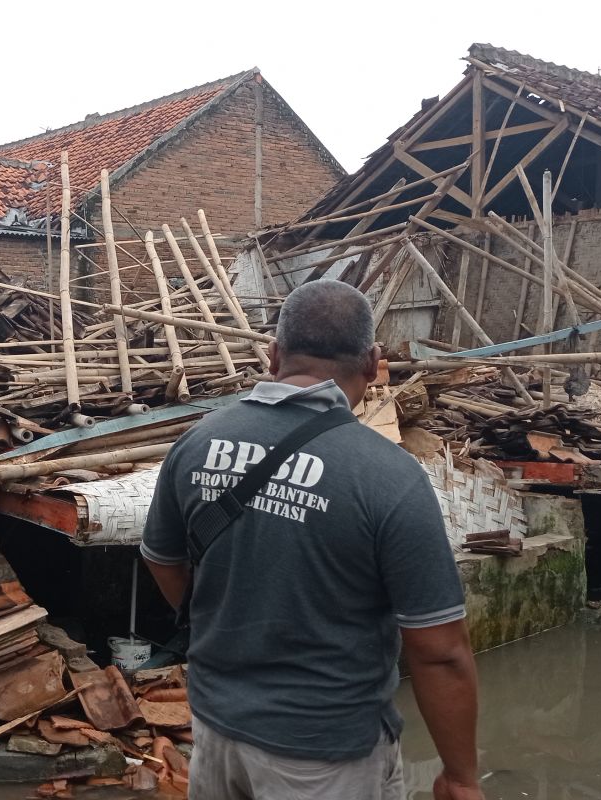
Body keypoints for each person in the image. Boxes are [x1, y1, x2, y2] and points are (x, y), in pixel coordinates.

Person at [141, 280, 483, 800]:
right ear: (373, 363)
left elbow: (163, 560)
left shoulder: (198, 442)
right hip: (325, 754)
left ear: (274, 354)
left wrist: (223, 623)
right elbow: (438, 650)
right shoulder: (389, 477)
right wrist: (459, 776)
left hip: (215, 728)